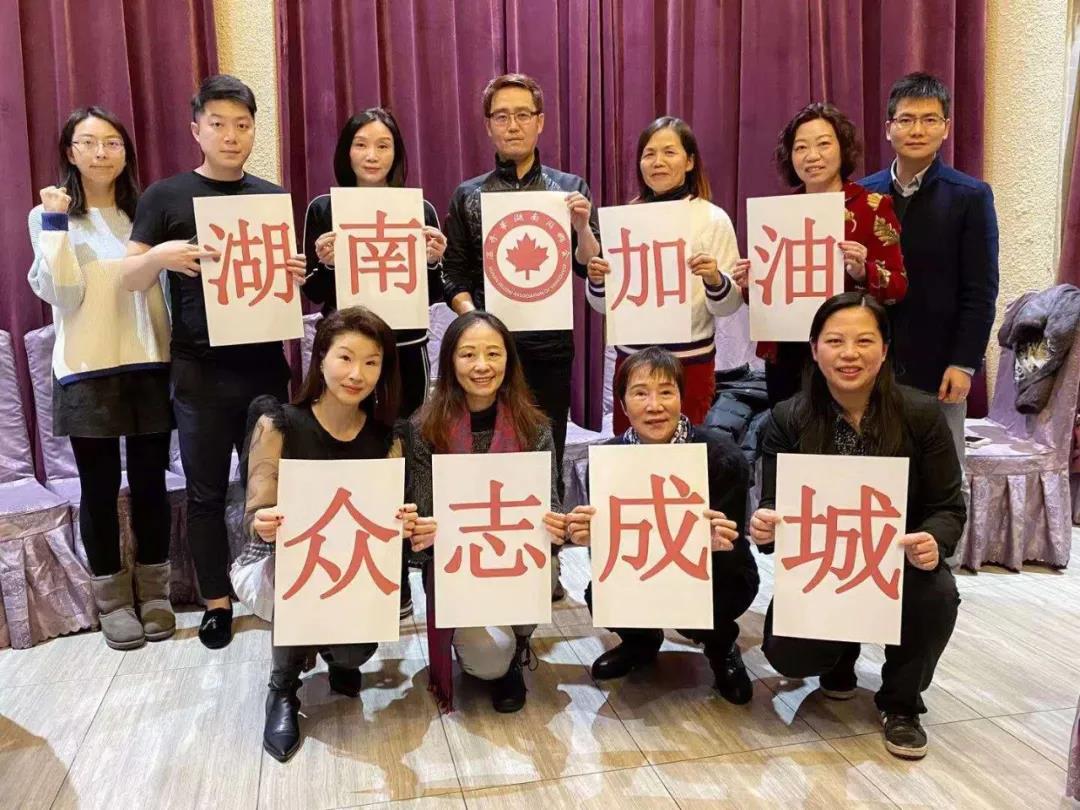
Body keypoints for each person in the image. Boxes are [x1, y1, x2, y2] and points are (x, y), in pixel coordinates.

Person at [121, 75, 307, 650]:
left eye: (242, 125)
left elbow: (281, 283)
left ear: (254, 131)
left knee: (271, 487)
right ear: (196, 129)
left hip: (264, 367)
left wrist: (295, 274)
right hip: (198, 369)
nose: (231, 135)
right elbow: (128, 278)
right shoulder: (166, 197)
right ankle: (217, 604)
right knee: (205, 493)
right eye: (219, 124)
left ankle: (276, 591)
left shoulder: (270, 198)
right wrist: (160, 255)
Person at [749, 291, 965, 760]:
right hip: (824, 565)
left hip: (898, 561)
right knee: (787, 653)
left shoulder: (921, 414)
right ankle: (839, 655)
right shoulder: (788, 418)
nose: (850, 354)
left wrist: (934, 539)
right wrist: (766, 525)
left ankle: (901, 703)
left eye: (864, 341)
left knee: (937, 596)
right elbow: (774, 502)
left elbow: (948, 506)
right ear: (814, 349)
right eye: (835, 341)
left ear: (884, 350)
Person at [234, 307, 419, 762]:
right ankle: (282, 688)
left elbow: (391, 519)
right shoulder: (278, 424)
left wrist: (405, 522)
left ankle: (336, 653)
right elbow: (253, 514)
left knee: (356, 654)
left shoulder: (388, 438)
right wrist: (263, 521)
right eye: (345, 358)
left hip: (353, 569)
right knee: (296, 580)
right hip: (281, 563)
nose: (357, 374)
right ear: (320, 358)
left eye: (371, 362)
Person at [27, 107, 174, 651]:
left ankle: (155, 593)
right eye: (88, 143)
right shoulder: (48, 216)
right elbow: (63, 293)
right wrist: (55, 224)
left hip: (149, 362)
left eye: (111, 142)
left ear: (126, 151)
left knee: (152, 483)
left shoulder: (146, 212)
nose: (101, 153)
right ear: (70, 152)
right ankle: (112, 601)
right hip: (86, 369)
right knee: (98, 488)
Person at [302, 107, 447, 620]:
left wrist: (434, 261)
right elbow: (314, 292)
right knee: (351, 457)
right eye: (361, 144)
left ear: (397, 154)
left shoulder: (419, 209)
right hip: (349, 357)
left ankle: (402, 571)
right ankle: (361, 570)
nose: (371, 155)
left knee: (403, 456)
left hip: (405, 353)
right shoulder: (324, 208)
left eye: (383, 145)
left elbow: (435, 291)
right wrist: (323, 262)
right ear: (346, 152)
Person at [552, 347, 760, 703]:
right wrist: (589, 537)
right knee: (600, 593)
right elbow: (610, 552)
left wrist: (717, 540)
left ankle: (721, 645)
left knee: (727, 584)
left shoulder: (721, 455)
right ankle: (641, 641)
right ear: (622, 404)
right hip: (644, 568)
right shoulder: (609, 460)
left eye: (666, 392)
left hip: (714, 572)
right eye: (640, 393)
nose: (654, 406)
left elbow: (737, 543)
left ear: (681, 397)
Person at [441, 72, 601, 486]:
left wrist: (582, 228)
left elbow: (588, 265)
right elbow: (452, 274)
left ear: (540, 121)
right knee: (485, 454)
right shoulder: (468, 195)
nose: (513, 126)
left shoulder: (568, 190)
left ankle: (546, 520)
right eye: (502, 116)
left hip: (549, 345)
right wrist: (474, 319)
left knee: (546, 454)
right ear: (488, 126)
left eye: (523, 115)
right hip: (487, 350)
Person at [404, 311, 565, 714]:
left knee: (546, 567)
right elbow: (424, 513)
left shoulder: (534, 427)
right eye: (468, 354)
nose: (481, 366)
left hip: (515, 558)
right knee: (487, 663)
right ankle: (487, 647)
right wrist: (423, 530)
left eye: (493, 354)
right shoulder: (424, 429)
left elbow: (550, 501)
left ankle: (520, 645)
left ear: (509, 360)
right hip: (457, 567)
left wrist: (557, 524)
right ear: (450, 361)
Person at [861, 72, 999, 521]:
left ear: (946, 127)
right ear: (888, 128)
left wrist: (964, 363)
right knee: (872, 473)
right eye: (906, 120)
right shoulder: (863, 195)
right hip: (873, 360)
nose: (916, 130)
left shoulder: (970, 196)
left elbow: (981, 291)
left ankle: (942, 558)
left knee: (943, 475)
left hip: (940, 365)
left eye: (929, 119)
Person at [732, 103, 907, 405]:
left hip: (849, 350)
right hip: (788, 351)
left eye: (823, 144)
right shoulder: (777, 214)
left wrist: (863, 271)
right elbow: (765, 297)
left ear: (843, 149)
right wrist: (750, 283)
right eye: (801, 147)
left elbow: (898, 287)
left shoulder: (872, 207)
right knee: (789, 427)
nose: (812, 156)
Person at [584, 117, 742, 432]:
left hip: (690, 362)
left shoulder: (712, 219)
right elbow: (604, 306)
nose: (658, 162)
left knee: (687, 452)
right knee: (630, 450)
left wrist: (714, 279)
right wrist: (598, 281)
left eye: (669, 152)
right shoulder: (624, 219)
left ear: (690, 161)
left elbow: (729, 305)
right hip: (633, 363)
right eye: (649, 154)